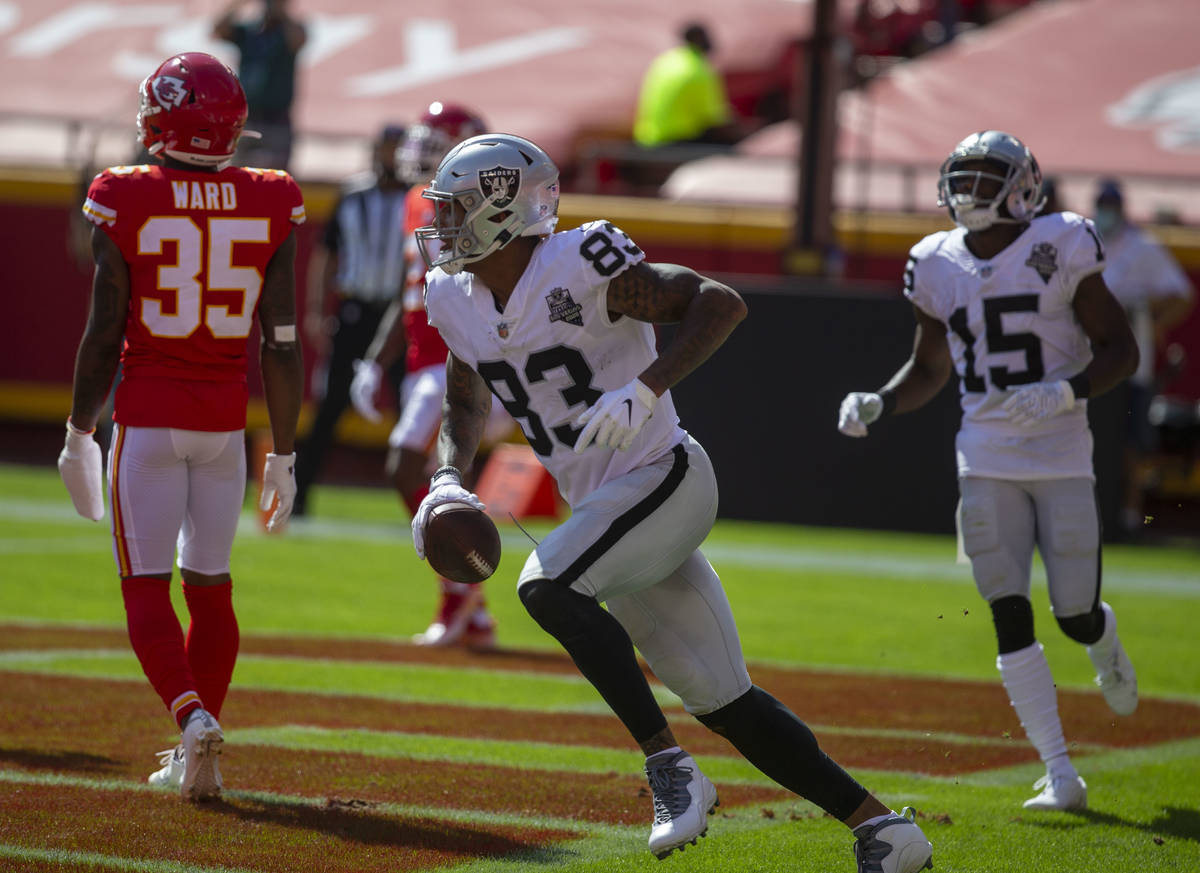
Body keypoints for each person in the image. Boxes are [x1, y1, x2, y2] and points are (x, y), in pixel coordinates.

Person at [408, 132, 933, 872]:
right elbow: (466, 399)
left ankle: (668, 766)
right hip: (605, 510)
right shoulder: (453, 297)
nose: (442, 223)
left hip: (663, 474)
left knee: (546, 585)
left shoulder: (580, 262)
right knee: (725, 700)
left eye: (457, 207)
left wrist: (645, 385)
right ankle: (885, 830)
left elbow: (720, 304)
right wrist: (448, 477)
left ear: (502, 209)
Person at [838, 130, 1140, 812]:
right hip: (985, 450)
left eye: (985, 178)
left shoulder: (1062, 241)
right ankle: (1060, 772)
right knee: (1007, 606)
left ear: (1023, 187)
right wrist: (881, 399)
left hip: (1060, 448)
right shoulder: (935, 260)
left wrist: (1066, 391)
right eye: (963, 177)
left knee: (1074, 614)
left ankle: (1104, 638)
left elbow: (1121, 349)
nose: (968, 191)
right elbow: (930, 367)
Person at [58, 52, 305, 801]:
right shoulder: (272, 196)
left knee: (143, 584)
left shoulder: (124, 193)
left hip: (149, 417)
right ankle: (200, 742)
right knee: (211, 583)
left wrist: (77, 429)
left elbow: (105, 332)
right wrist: (285, 453)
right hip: (225, 425)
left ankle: (192, 717)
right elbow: (283, 339)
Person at [348, 103, 506, 648]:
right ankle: (470, 602)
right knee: (422, 472)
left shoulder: (486, 201)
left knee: (407, 466)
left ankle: (460, 593)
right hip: (423, 358)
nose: (422, 150)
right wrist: (374, 358)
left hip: (465, 357)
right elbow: (409, 288)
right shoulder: (415, 202)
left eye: (436, 139)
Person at [292, 123, 410, 516]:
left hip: (400, 314)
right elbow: (327, 254)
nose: (393, 156)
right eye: (388, 148)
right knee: (330, 406)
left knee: (412, 404)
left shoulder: (420, 197)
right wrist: (315, 309)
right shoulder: (353, 192)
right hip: (355, 309)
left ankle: (428, 499)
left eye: (399, 148)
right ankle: (299, 494)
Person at [1091, 178, 1195, 537]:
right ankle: (1093, 511)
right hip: (1089, 358)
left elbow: (1182, 295)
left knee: (1133, 443)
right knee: (1088, 438)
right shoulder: (1084, 242)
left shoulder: (1141, 247)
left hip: (1133, 364)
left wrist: (1150, 320)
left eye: (1111, 205)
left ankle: (1133, 517)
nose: (1106, 212)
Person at [212, 0, 306, 170]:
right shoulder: (249, 30)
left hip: (277, 118)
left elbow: (298, 40)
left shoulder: (288, 31)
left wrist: (281, 12)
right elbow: (218, 30)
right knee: (237, 172)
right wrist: (238, 4)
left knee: (276, 174)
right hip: (247, 116)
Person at [632, 22, 740, 149]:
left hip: (647, 138)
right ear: (698, 39)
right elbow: (713, 117)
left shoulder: (665, 60)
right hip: (677, 140)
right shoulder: (698, 69)